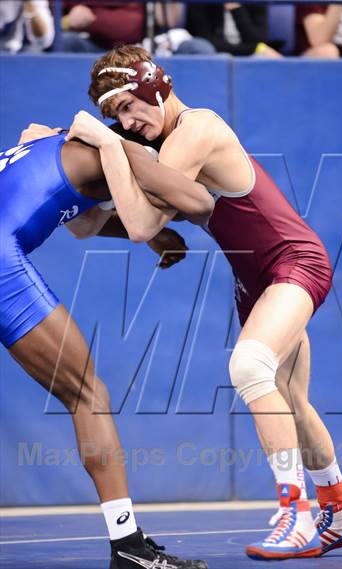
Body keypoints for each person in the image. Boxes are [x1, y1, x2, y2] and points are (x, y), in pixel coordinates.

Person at [58, 44, 342, 560]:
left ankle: (296, 517)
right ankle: (340, 505)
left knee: (249, 366)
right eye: (117, 117)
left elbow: (140, 223)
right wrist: (66, 171)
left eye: (132, 105)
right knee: (292, 399)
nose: (130, 122)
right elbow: (91, 224)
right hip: (257, 280)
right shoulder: (162, 152)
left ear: (157, 85)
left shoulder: (196, 129)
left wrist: (104, 148)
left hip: (294, 262)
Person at [1, 101, 214, 566]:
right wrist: (162, 214)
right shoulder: (123, 152)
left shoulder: (52, 143)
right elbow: (197, 203)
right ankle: (128, 545)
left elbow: (81, 222)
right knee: (86, 394)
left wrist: (152, 234)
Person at [185, 2, 282, 58]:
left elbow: (259, 39)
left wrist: (236, 9)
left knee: (265, 59)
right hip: (216, 56)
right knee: (220, 59)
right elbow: (206, 42)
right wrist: (253, 48)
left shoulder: (255, 3)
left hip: (249, 55)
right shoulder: (201, 4)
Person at [60, 2, 144, 53]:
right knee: (64, 40)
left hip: (133, 49)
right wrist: (67, 21)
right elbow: (49, 25)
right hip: (89, 45)